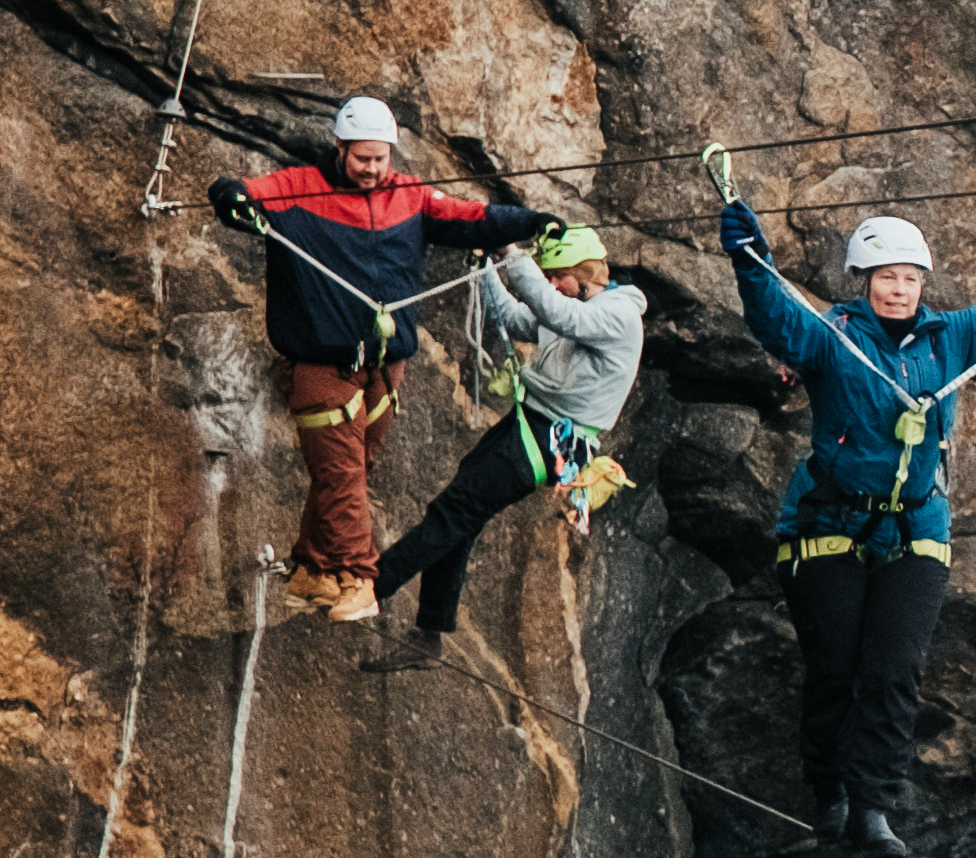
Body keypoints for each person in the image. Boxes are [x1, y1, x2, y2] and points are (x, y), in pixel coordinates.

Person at [713, 199, 976, 849]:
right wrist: (749, 260)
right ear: (864, 281)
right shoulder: (832, 336)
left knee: (893, 670)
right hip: (829, 524)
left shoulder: (953, 337)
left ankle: (873, 809)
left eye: (909, 277)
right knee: (834, 670)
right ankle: (830, 800)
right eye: (885, 277)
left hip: (916, 528)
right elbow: (775, 320)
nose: (898, 288)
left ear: (922, 284)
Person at [206, 95, 558, 621]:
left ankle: (312, 572)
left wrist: (531, 222)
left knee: (350, 471)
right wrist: (232, 199)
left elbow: (471, 218)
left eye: (380, 159)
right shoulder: (299, 188)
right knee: (343, 477)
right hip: (321, 366)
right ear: (341, 148)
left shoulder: (408, 196)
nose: (372, 169)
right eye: (362, 158)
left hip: (384, 369)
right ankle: (358, 577)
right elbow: (237, 194)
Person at [360, 226, 647, 671]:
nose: (552, 285)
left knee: (454, 511)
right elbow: (518, 318)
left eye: (558, 276)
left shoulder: (616, 315)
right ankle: (429, 634)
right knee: (460, 517)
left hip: (548, 438)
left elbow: (555, 312)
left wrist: (513, 253)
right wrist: (487, 267)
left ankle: (369, 589)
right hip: (528, 423)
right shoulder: (575, 304)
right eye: (548, 276)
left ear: (585, 273)